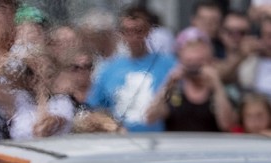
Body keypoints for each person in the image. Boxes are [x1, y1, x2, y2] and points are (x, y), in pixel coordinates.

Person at [86, 4, 176, 132]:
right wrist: (109, 125)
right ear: (120, 33)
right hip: (121, 142)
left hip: (159, 141)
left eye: (138, 31)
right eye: (127, 31)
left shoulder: (168, 64)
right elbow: (93, 108)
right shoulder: (108, 69)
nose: (133, 37)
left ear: (149, 31)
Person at [147, 27, 236, 132]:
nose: (194, 68)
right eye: (189, 62)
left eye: (200, 62)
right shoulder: (175, 91)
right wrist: (169, 82)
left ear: (210, 61)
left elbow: (227, 124)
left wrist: (217, 85)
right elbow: (150, 117)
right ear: (181, 61)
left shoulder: (220, 91)